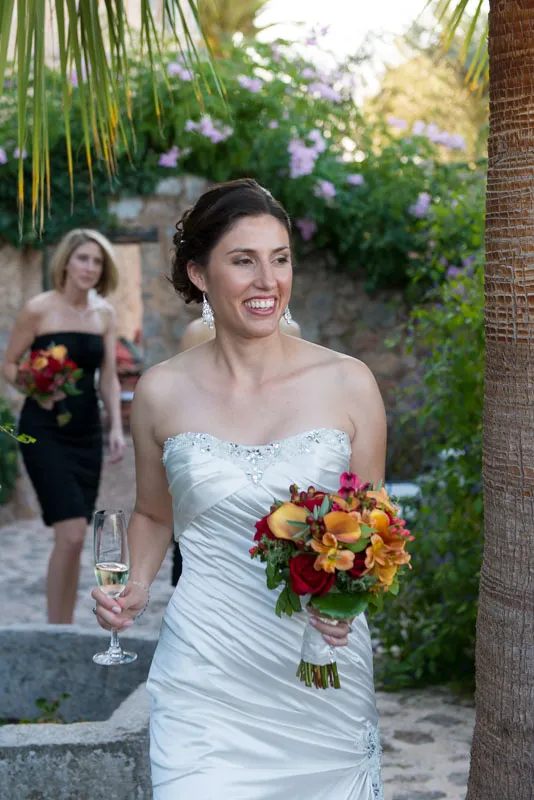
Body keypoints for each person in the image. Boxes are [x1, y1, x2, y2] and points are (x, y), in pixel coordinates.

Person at [92, 179, 386, 799]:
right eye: (243, 260)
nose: (267, 281)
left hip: (320, 669)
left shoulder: (349, 383)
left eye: (280, 259)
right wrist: (136, 588)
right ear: (199, 273)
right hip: (206, 669)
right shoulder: (160, 392)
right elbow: (151, 514)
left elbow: (373, 528)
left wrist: (347, 598)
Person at [3, 229, 125, 624]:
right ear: (67, 262)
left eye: (97, 262)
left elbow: (108, 377)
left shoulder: (105, 314)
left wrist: (116, 428)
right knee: (71, 533)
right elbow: (8, 364)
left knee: (74, 541)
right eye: (83, 259)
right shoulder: (39, 309)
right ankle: (59, 628)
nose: (90, 268)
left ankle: (65, 625)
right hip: (44, 430)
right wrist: (35, 387)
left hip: (87, 432)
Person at [171, 313, 301, 586]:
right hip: (212, 457)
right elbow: (184, 401)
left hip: (272, 455)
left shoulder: (290, 330)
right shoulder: (197, 331)